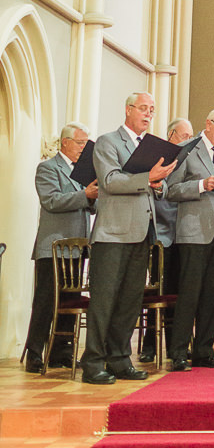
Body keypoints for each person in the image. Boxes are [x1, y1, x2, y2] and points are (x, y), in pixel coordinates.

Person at [81, 93, 176, 385]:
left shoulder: (149, 147)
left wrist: (159, 184)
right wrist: (148, 178)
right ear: (128, 110)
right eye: (144, 109)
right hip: (112, 234)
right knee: (104, 301)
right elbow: (109, 181)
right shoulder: (108, 142)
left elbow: (161, 189)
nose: (148, 114)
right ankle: (94, 362)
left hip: (141, 232)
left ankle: (120, 359)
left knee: (130, 302)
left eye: (152, 110)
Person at [167, 109, 214, 370]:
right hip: (194, 232)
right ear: (208, 125)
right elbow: (170, 190)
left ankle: (204, 350)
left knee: (213, 295)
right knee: (189, 294)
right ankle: (178, 352)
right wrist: (201, 185)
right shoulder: (187, 149)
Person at [24, 122, 97, 373]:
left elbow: (90, 205)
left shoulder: (85, 171)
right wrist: (85, 195)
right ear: (65, 142)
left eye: (86, 144)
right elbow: (51, 200)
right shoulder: (47, 168)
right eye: (80, 143)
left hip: (76, 248)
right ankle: (35, 351)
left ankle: (62, 352)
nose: (83, 148)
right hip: (52, 248)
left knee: (70, 301)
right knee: (46, 301)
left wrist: (96, 198)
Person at [140, 116, 193, 362]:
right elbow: (156, 196)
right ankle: (149, 345)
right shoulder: (159, 157)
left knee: (179, 293)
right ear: (171, 135)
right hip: (160, 235)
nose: (188, 140)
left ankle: (176, 345)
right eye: (185, 136)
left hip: (184, 235)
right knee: (156, 292)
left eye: (191, 137)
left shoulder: (190, 160)